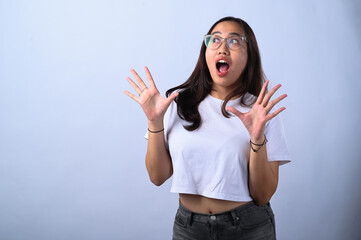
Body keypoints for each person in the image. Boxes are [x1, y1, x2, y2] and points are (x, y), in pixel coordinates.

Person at [124, 16, 291, 240]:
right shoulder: (178, 104)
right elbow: (157, 176)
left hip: (248, 229)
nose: (222, 48)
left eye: (234, 41)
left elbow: (262, 195)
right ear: (205, 53)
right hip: (189, 228)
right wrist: (155, 122)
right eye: (215, 40)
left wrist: (257, 137)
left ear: (249, 55)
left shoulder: (261, 112)